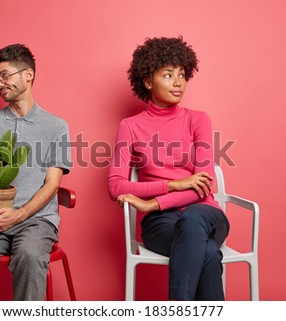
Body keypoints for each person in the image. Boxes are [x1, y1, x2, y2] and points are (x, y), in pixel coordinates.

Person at [108, 36, 230, 300]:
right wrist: (173, 185)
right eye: (168, 75)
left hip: (206, 214)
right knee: (207, 253)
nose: (178, 82)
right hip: (161, 225)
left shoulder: (198, 120)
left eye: (182, 75)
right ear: (148, 81)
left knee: (193, 218)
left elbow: (202, 186)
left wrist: (152, 203)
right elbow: (116, 185)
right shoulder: (130, 126)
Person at [0, 44, 71, 300]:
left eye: (4, 75)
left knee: (29, 256)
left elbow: (52, 183)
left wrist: (18, 216)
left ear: (28, 75)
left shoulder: (56, 126)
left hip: (36, 220)